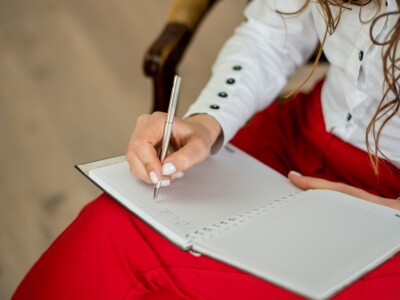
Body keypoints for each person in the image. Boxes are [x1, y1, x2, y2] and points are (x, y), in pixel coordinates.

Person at [13, 0, 400, 299]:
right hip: (300, 133)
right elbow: (271, 34)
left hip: (391, 207)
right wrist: (206, 122)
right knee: (110, 231)